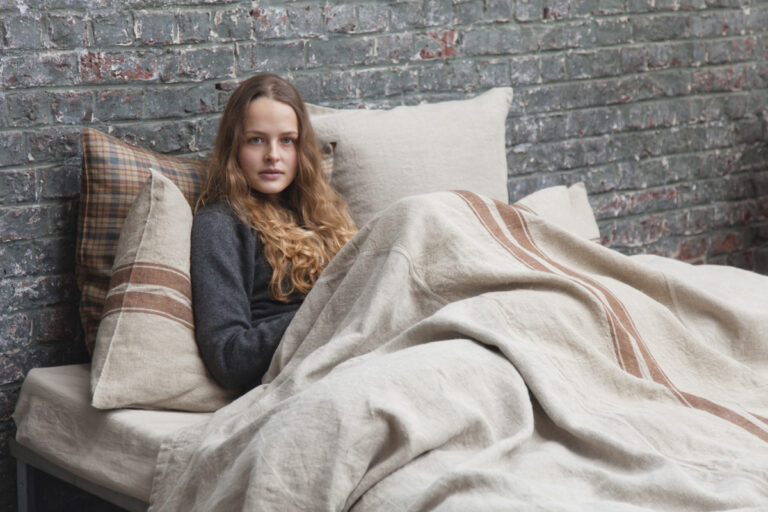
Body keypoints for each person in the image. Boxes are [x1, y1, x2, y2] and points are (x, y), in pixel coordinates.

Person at [191, 73, 357, 391]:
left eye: (286, 141)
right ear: (233, 147)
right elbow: (228, 357)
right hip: (307, 374)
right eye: (256, 139)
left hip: (364, 349)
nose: (273, 155)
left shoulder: (326, 214)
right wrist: (330, 311)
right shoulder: (220, 224)